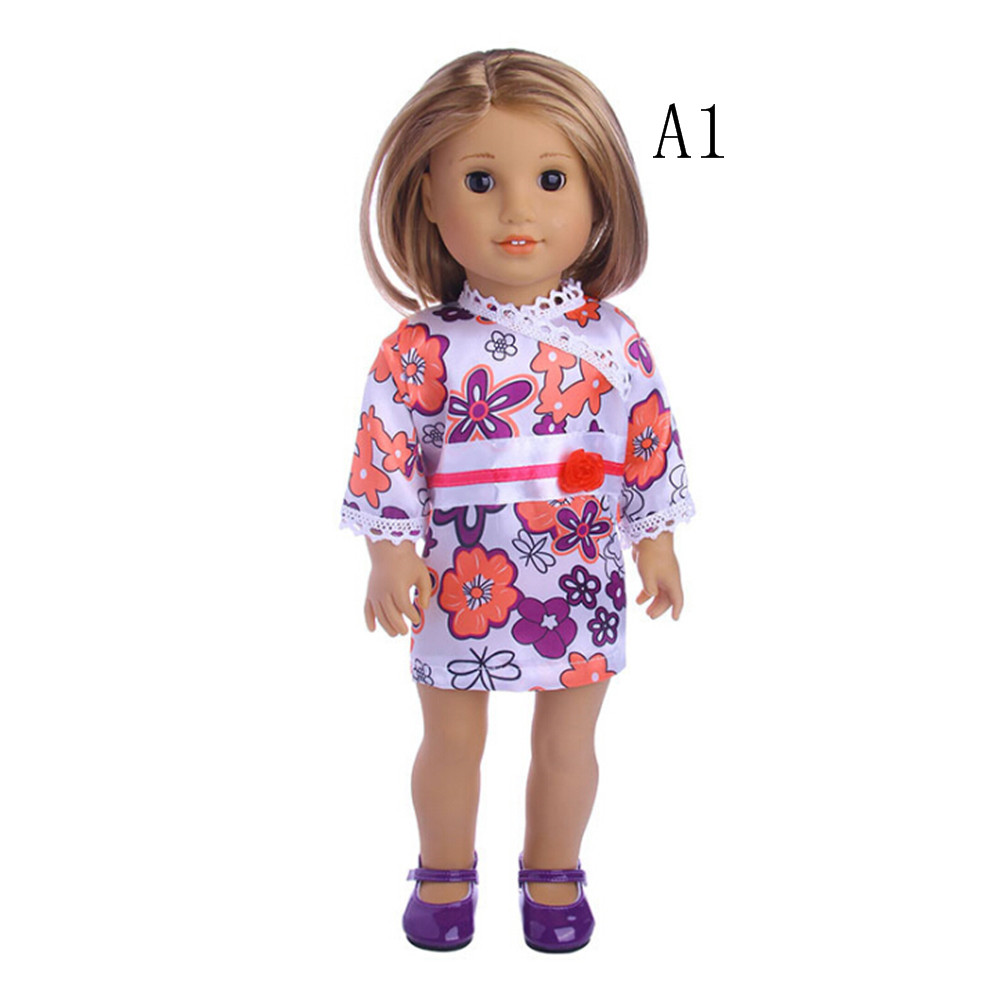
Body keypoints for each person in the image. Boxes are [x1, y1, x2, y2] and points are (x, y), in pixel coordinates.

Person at [339, 49, 695, 952]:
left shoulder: (614, 339)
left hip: (579, 574)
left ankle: (554, 869)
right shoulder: (420, 348)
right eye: (480, 181)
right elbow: (386, 450)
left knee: (568, 743)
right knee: (452, 740)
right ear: (427, 195)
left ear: (600, 190)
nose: (518, 211)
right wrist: (389, 548)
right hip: (459, 577)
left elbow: (646, 437)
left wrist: (654, 539)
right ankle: (444, 869)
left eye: (551, 179)